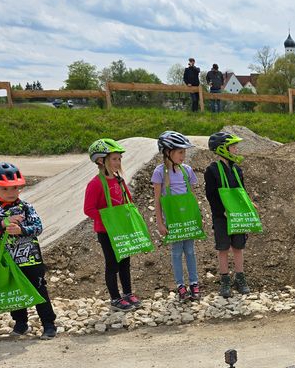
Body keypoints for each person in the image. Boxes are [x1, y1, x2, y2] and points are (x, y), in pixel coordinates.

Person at [0, 162, 57, 338]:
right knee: (14, 291)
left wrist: (22, 230)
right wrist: (1, 224)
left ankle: (49, 324)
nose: (11, 193)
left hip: (30, 258)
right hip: (7, 260)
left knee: (39, 289)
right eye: (5, 189)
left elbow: (38, 227)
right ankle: (21, 323)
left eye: (14, 188)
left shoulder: (26, 207)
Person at [83, 138, 140, 310]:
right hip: (106, 231)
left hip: (122, 229)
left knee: (125, 262)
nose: (118, 162)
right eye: (114, 159)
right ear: (101, 160)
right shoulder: (95, 184)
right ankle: (115, 298)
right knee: (112, 264)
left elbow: (128, 201)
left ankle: (128, 293)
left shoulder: (119, 181)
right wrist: (107, 219)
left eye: (119, 159)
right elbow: (88, 209)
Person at [152, 131, 201, 301]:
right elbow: (157, 200)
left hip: (187, 218)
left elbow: (192, 196)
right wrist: (159, 222)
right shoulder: (159, 172)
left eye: (184, 152)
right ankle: (180, 285)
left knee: (190, 250)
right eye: (180, 152)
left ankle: (194, 283)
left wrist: (197, 217)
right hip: (172, 220)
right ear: (167, 152)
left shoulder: (187, 170)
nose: (184, 155)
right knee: (176, 252)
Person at [204, 132, 253, 297]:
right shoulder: (211, 170)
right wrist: (221, 211)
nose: (236, 149)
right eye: (233, 146)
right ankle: (224, 281)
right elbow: (211, 195)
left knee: (238, 247)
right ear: (223, 149)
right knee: (223, 248)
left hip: (237, 215)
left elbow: (242, 192)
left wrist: (249, 205)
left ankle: (240, 278)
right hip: (221, 217)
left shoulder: (237, 169)